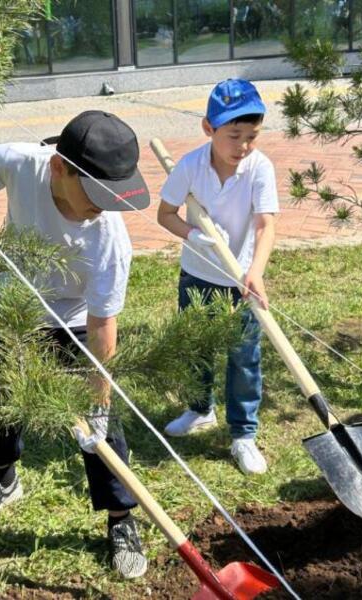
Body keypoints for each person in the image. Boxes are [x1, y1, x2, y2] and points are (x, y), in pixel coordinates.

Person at [0, 111, 152, 578]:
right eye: (97, 193)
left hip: (77, 319)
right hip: (13, 308)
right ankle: (3, 479)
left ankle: (120, 518)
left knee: (104, 432)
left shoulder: (109, 241)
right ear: (59, 168)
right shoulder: (24, 163)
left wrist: (97, 399)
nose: (104, 207)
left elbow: (104, 323)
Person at [156, 79, 279, 476]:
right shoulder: (190, 167)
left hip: (240, 279)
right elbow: (166, 214)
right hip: (197, 275)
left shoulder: (260, 168)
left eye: (251, 136)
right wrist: (194, 234)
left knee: (244, 358)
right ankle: (199, 408)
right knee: (196, 347)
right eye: (233, 135)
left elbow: (265, 226)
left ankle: (243, 434)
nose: (242, 145)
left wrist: (255, 272)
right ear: (208, 129)